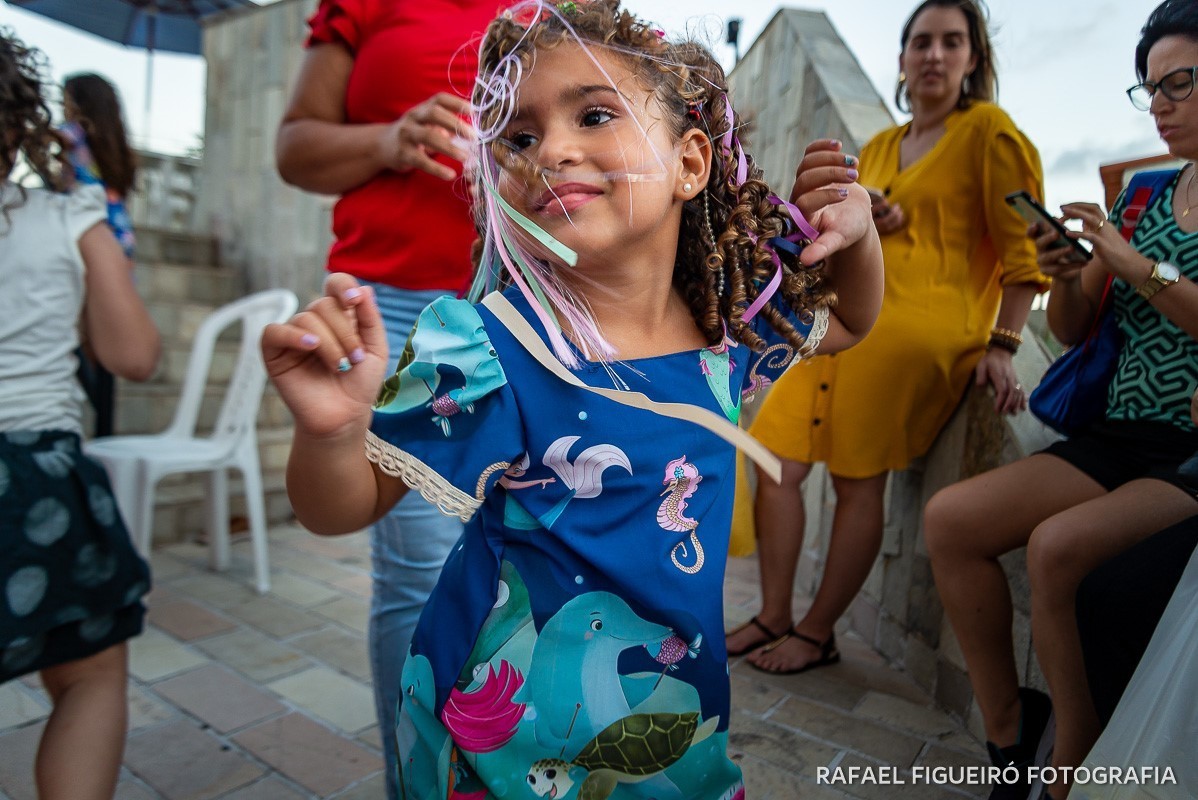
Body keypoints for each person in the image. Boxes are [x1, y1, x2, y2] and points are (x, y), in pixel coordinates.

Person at [261, 0, 884, 794]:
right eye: (517, 138)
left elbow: (853, 321)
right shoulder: (490, 346)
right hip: (496, 744)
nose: (550, 149)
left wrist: (858, 238)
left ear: (690, 163)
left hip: (672, 726)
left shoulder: (729, 325)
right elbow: (339, 508)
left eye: (593, 115)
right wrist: (331, 432)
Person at [923, 2, 1198, 797]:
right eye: (1149, 89)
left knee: (1055, 548)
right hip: (1115, 431)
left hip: (1184, 450)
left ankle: (1072, 761)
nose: (1162, 104)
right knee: (951, 521)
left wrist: (1140, 266)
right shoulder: (1142, 192)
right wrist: (1081, 271)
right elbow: (1076, 331)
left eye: (1179, 82)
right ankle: (1014, 731)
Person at [726, 0, 1046, 677]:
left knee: (855, 480)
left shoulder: (990, 132)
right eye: (921, 42)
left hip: (922, 331)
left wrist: (1004, 345)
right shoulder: (878, 147)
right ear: (902, 60)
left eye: (951, 42)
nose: (934, 54)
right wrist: (867, 210)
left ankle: (817, 632)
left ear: (973, 58)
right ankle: (773, 612)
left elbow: (1027, 258)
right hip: (846, 316)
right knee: (772, 456)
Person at [274, 2, 514, 791]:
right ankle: (412, 782)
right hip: (398, 310)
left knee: (536, 563)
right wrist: (389, 139)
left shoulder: (559, 10)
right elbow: (295, 147)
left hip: (533, 306)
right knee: (415, 570)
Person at [0, 30, 159, 800]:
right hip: (32, 479)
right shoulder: (67, 217)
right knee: (90, 678)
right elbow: (134, 355)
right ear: (18, 121)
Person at [59, 73, 139, 440]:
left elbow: (58, 180)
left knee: (74, 337)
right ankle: (105, 432)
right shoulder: (117, 147)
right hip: (119, 241)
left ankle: (83, 429)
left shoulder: (70, 136)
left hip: (83, 240)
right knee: (101, 345)